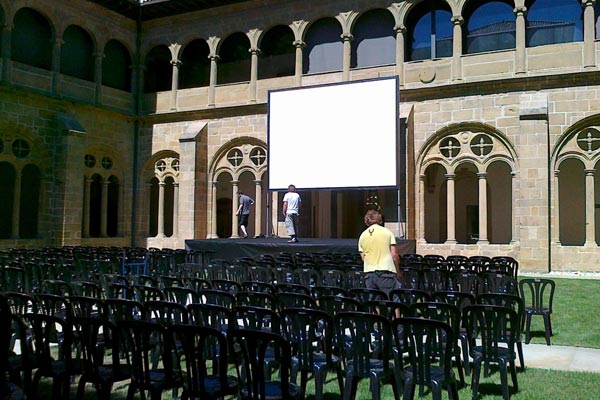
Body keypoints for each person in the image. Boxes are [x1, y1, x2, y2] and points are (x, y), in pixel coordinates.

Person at [358, 209, 402, 296]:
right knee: (392, 300)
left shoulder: (362, 236)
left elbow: (363, 258)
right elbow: (394, 255)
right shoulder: (387, 232)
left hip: (369, 273)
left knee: (375, 303)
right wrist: (398, 271)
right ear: (379, 219)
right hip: (386, 272)